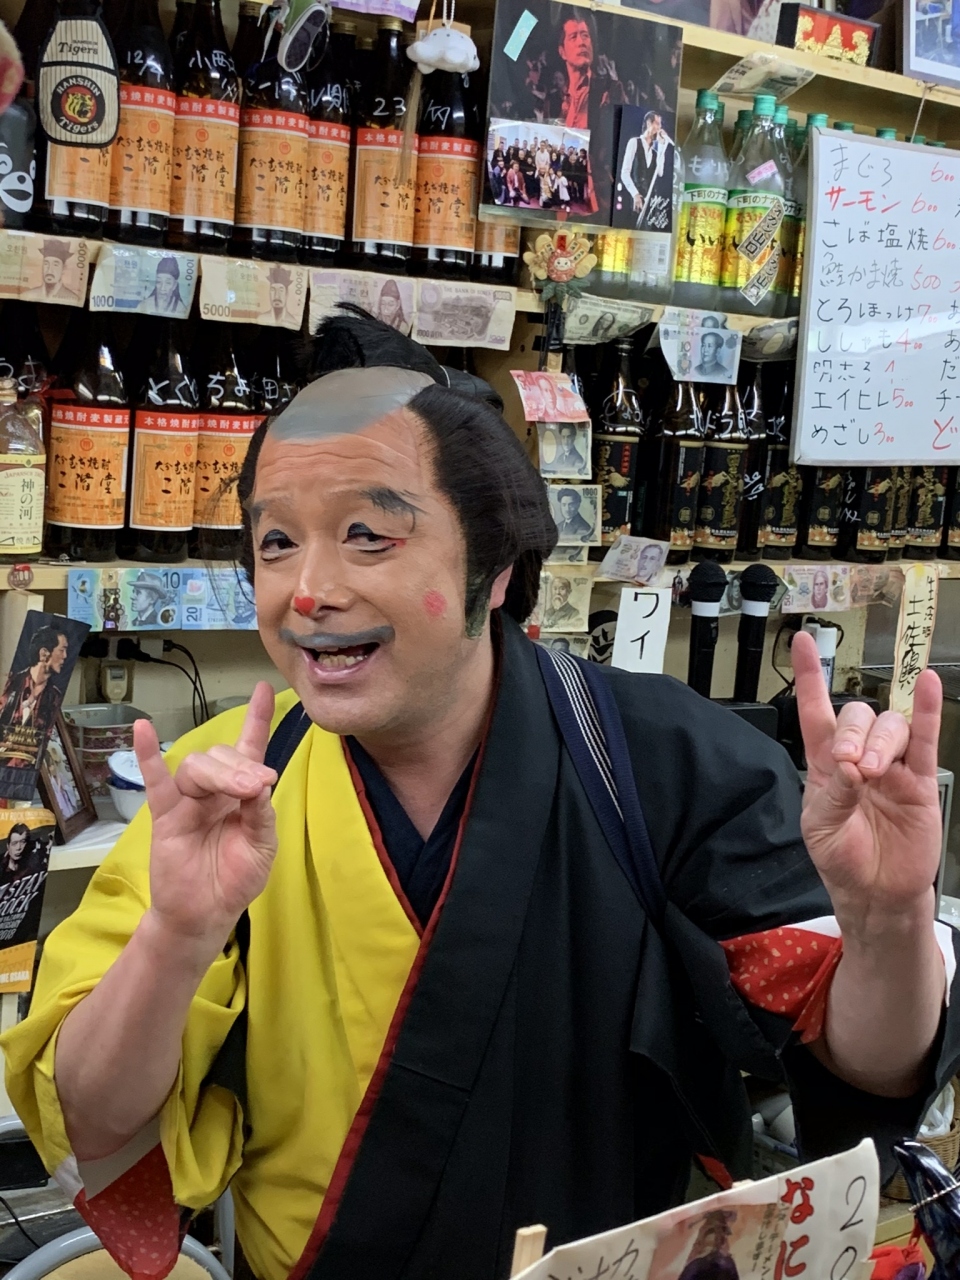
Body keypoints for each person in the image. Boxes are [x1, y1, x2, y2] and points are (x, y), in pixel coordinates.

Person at [5, 305, 959, 1280]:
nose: (308, 591)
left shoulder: (659, 761)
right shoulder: (221, 786)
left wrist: (887, 920)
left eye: (367, 534)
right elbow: (93, 1118)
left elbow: (866, 1062)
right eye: (277, 541)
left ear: (496, 564)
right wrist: (176, 935)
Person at [0, 625, 69, 752]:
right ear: (44, 653)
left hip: (30, 760)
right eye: (62, 650)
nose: (65, 656)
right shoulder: (12, 683)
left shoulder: (54, 696)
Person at [619, 110, 675, 231]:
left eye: (660, 125)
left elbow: (660, 172)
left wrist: (661, 146)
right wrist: (635, 194)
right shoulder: (634, 142)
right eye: (657, 124)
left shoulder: (655, 152)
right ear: (649, 123)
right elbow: (624, 173)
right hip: (635, 199)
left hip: (650, 201)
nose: (659, 128)